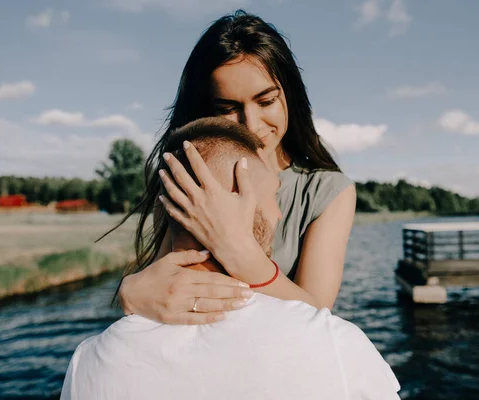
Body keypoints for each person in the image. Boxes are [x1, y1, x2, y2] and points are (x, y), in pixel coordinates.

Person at [61, 118, 399, 400]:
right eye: (272, 197)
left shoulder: (86, 363)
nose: (279, 214)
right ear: (232, 202)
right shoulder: (336, 345)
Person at [116, 10, 356, 324]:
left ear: (290, 95)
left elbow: (318, 317)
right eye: (228, 108)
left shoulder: (328, 192)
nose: (251, 124)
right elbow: (164, 284)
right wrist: (130, 292)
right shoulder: (187, 176)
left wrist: (237, 249)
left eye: (266, 101)